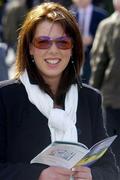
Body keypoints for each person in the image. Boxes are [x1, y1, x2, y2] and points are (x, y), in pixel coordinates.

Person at [0, 2, 119, 180]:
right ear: (30, 48)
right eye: (43, 42)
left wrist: (93, 175)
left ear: (73, 48)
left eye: (63, 42)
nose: (53, 50)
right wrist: (38, 175)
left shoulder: (89, 98)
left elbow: (110, 169)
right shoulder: (6, 97)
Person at [90, 0, 120, 169]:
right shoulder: (108, 25)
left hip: (112, 95)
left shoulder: (109, 25)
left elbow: (99, 61)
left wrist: (93, 91)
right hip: (112, 96)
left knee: (114, 146)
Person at [70, 0, 108, 84]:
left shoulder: (101, 15)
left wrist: (93, 39)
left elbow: (106, 37)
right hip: (75, 56)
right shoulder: (70, 14)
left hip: (93, 55)